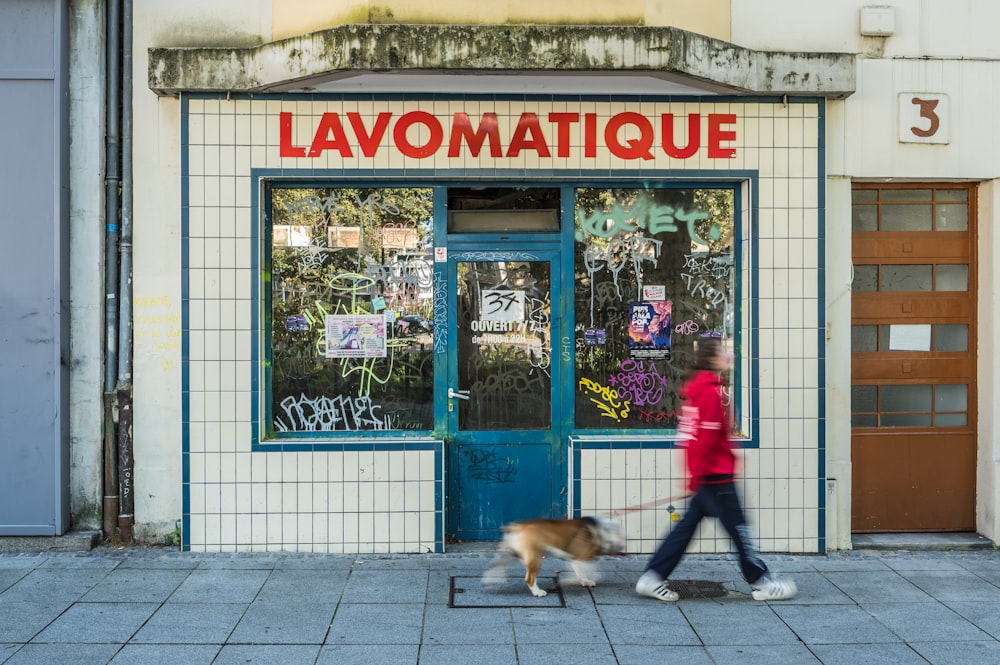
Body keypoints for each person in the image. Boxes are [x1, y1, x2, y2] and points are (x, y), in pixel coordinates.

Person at [635, 336, 796, 602]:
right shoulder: (710, 392)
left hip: (707, 476)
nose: (729, 356)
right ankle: (761, 582)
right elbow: (704, 440)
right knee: (740, 530)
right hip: (716, 477)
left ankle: (652, 577)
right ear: (712, 358)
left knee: (685, 531)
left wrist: (694, 476)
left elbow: (688, 437)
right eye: (725, 352)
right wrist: (699, 476)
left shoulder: (698, 389)